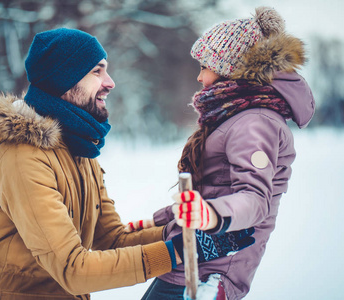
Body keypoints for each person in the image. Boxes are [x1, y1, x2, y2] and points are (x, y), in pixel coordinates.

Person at [0, 28, 253, 300]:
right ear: (64, 79)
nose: (110, 82)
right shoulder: (22, 158)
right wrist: (178, 252)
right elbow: (73, 269)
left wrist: (187, 236)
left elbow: (111, 238)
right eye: (96, 71)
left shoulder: (77, 149)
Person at [128, 7, 315, 300]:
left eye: (205, 66)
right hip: (193, 256)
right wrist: (159, 220)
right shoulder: (235, 116)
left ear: (230, 68)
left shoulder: (256, 122)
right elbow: (211, 190)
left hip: (211, 270)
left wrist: (210, 214)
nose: (200, 77)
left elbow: (255, 199)